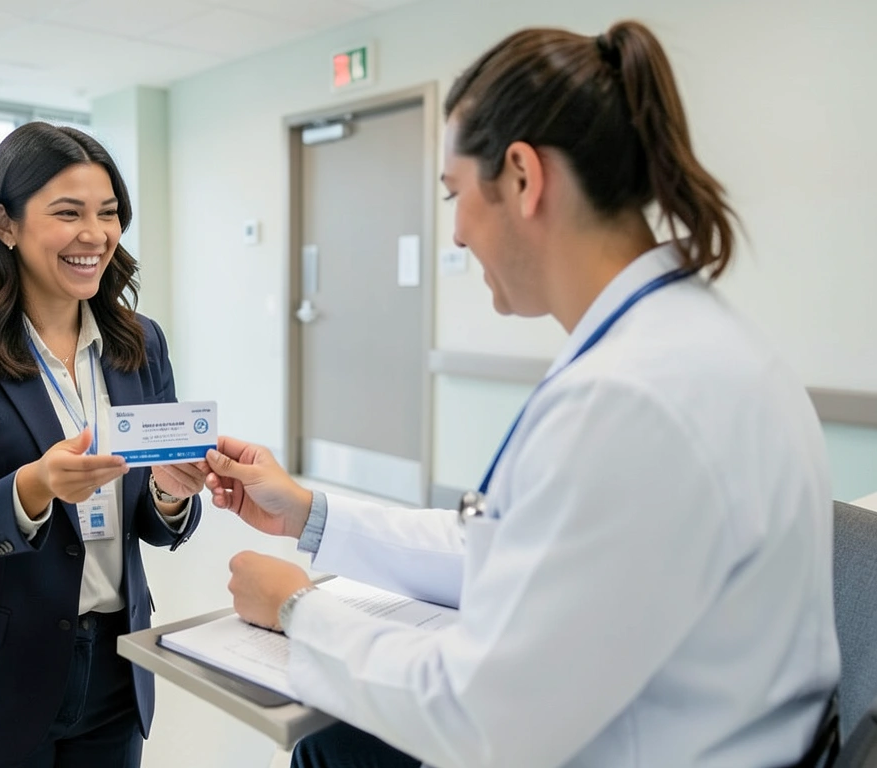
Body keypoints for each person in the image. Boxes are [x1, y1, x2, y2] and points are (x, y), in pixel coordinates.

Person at [205, 20, 839, 768]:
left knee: (328, 749)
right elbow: (504, 552)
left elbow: (481, 718)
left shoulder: (633, 400)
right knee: (339, 746)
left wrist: (298, 608)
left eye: (455, 194)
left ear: (522, 177)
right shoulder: (682, 344)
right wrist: (308, 512)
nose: (457, 234)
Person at [0, 121, 206, 768]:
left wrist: (169, 493)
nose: (95, 234)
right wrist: (34, 488)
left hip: (114, 667)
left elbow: (151, 518)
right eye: (68, 213)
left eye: (108, 213)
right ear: (6, 224)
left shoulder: (140, 342)